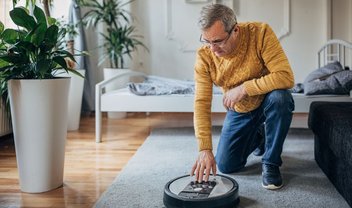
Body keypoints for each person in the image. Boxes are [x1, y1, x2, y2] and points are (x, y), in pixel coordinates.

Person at [190, 3, 295, 190]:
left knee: (281, 98)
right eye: (207, 41)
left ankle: (270, 163)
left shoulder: (260, 33)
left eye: (218, 41)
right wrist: (205, 148)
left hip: (268, 101)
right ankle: (259, 136)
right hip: (241, 110)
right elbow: (201, 102)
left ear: (235, 30)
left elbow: (285, 76)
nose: (213, 49)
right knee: (227, 165)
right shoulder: (205, 56)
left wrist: (243, 88)